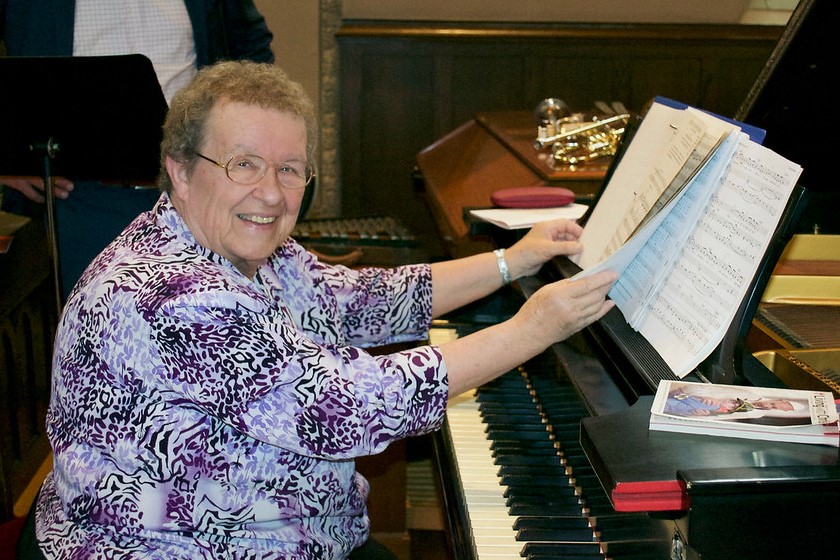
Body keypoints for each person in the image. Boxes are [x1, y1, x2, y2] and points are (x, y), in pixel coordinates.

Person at [31, 60, 617, 559]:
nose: (270, 193)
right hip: (171, 545)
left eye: (289, 169)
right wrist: (532, 329)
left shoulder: (250, 248)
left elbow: (366, 299)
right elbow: (343, 406)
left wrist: (513, 261)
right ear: (180, 172)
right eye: (243, 164)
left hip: (276, 529)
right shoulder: (173, 295)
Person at [0, 0, 274, 300]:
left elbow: (250, 48)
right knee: (96, 323)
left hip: (197, 194)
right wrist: (7, 160)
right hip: (79, 203)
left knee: (210, 318)